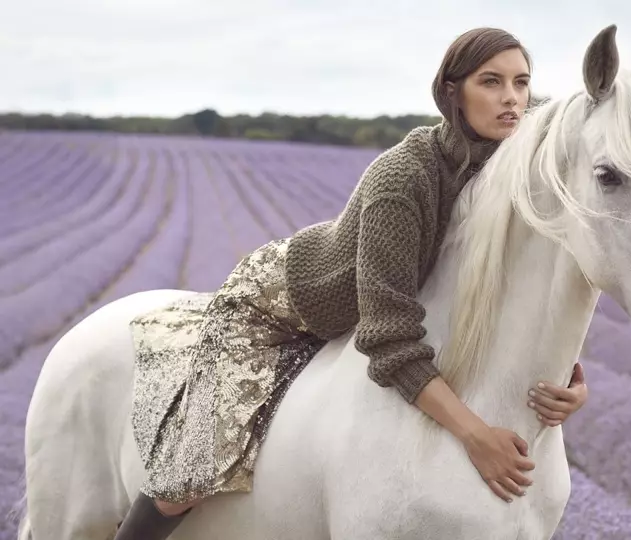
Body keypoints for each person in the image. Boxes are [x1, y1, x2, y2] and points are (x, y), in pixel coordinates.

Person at [114, 26, 589, 540]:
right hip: (278, 304)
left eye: (521, 83)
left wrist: (571, 381)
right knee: (188, 476)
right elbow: (387, 337)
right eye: (491, 82)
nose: (511, 99)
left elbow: (506, 296)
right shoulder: (404, 177)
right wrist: (475, 436)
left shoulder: (514, 173)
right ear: (451, 92)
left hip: (371, 305)